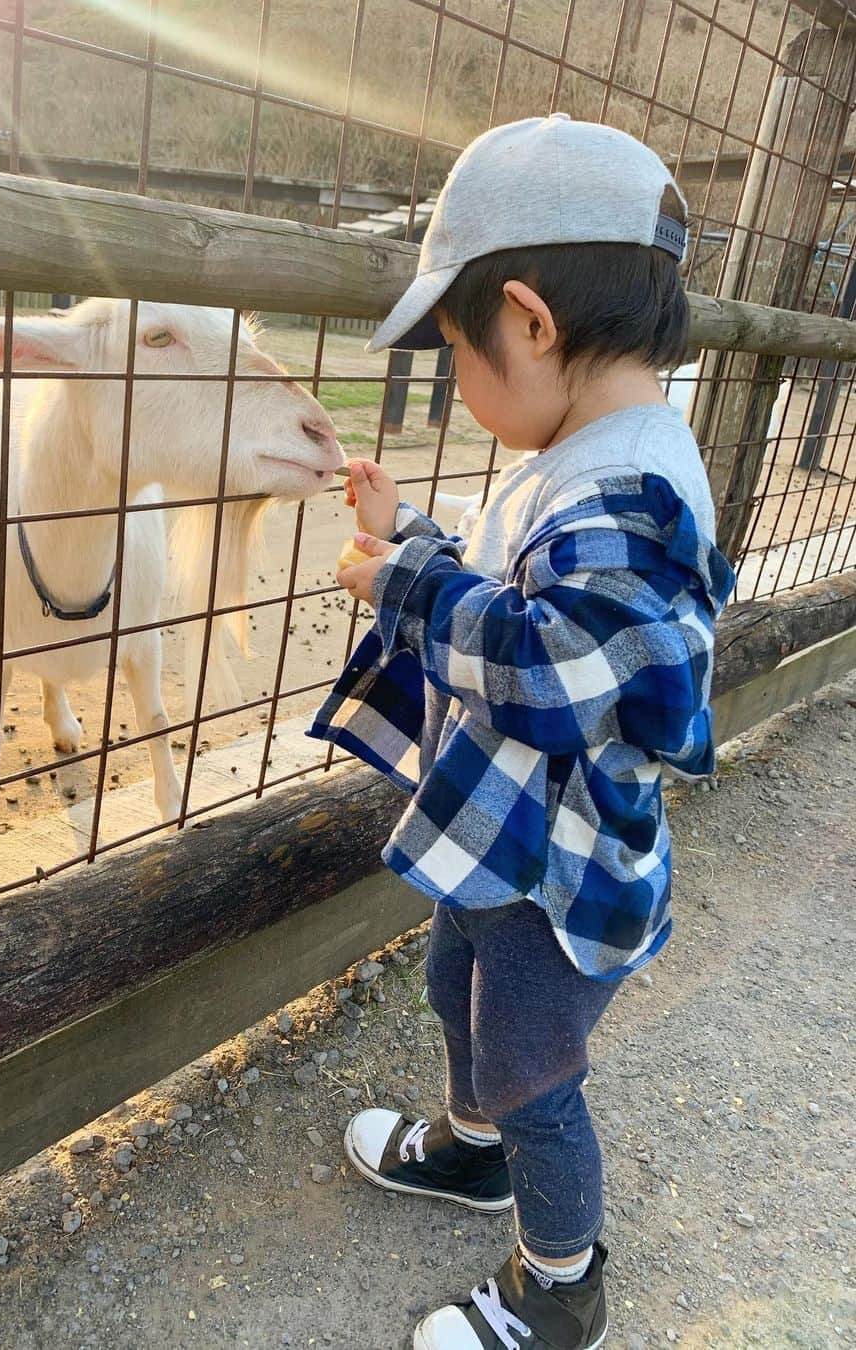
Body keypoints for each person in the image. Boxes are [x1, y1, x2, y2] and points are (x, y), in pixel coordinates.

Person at [307, 114, 735, 1350]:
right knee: (458, 985)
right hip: (506, 845)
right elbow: (529, 599)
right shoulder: (587, 448)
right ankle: (469, 1153)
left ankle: (562, 1282)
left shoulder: (634, 494)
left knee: (533, 1069)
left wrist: (400, 587)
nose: (457, 382)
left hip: (562, 868)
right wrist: (421, 546)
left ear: (534, 323)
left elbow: (546, 666)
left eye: (458, 352)